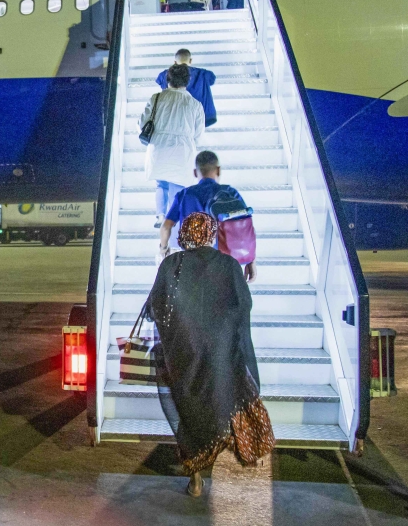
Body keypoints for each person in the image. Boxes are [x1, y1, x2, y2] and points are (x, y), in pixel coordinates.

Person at [146, 213, 274, 496]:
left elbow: (155, 308)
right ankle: (228, 463)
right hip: (220, 354)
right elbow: (242, 307)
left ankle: (195, 479)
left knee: (190, 413)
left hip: (184, 356)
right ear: (210, 233)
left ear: (185, 235)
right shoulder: (228, 264)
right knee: (221, 406)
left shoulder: (171, 265)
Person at [159, 151, 257, 281]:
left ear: (195, 172)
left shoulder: (184, 195)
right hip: (223, 261)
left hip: (192, 263)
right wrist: (251, 260)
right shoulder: (230, 193)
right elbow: (245, 227)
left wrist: (164, 249)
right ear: (218, 170)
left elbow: (166, 227)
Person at [140, 64, 204, 227]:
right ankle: (173, 222)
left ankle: (160, 215)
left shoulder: (156, 98)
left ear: (168, 79)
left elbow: (143, 123)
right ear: (187, 81)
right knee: (178, 185)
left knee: (161, 184)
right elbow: (198, 133)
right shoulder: (195, 104)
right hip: (182, 149)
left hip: (159, 146)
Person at [154, 48, 217, 127]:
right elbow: (212, 79)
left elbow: (159, 81)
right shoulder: (203, 74)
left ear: (175, 62)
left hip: (176, 117)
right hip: (203, 116)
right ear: (190, 61)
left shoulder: (165, 74)